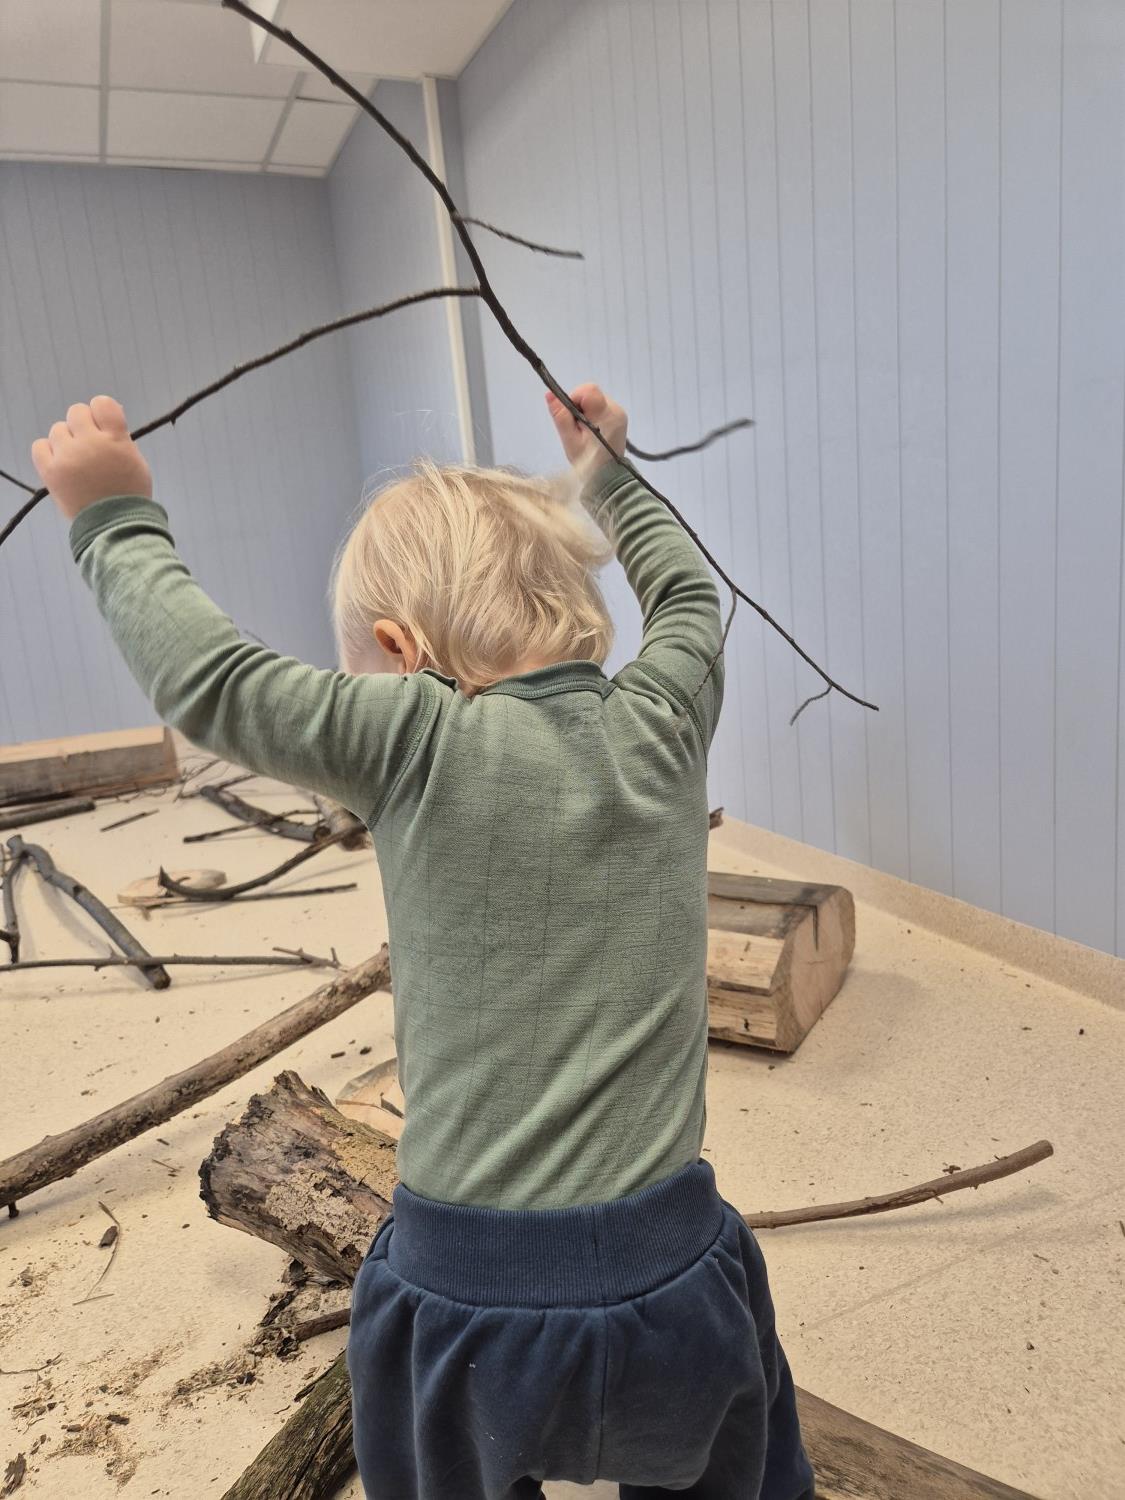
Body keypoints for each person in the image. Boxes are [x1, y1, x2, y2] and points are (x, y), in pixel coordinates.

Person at [32, 385, 815, 1500]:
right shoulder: (666, 716)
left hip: (464, 1307)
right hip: (678, 1285)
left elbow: (210, 683)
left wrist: (110, 518)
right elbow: (690, 592)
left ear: (402, 653)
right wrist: (608, 474)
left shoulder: (412, 733)